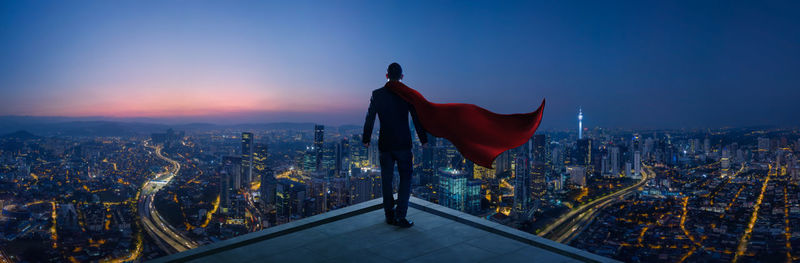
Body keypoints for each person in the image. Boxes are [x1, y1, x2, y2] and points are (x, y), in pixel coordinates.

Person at [363, 62, 427, 228]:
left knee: (386, 180)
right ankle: (400, 216)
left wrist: (366, 138)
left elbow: (370, 117)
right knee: (406, 179)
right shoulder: (407, 94)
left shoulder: (377, 94)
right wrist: (423, 139)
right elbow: (416, 118)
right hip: (403, 144)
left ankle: (389, 215)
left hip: (386, 144)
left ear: (386, 76)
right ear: (402, 76)